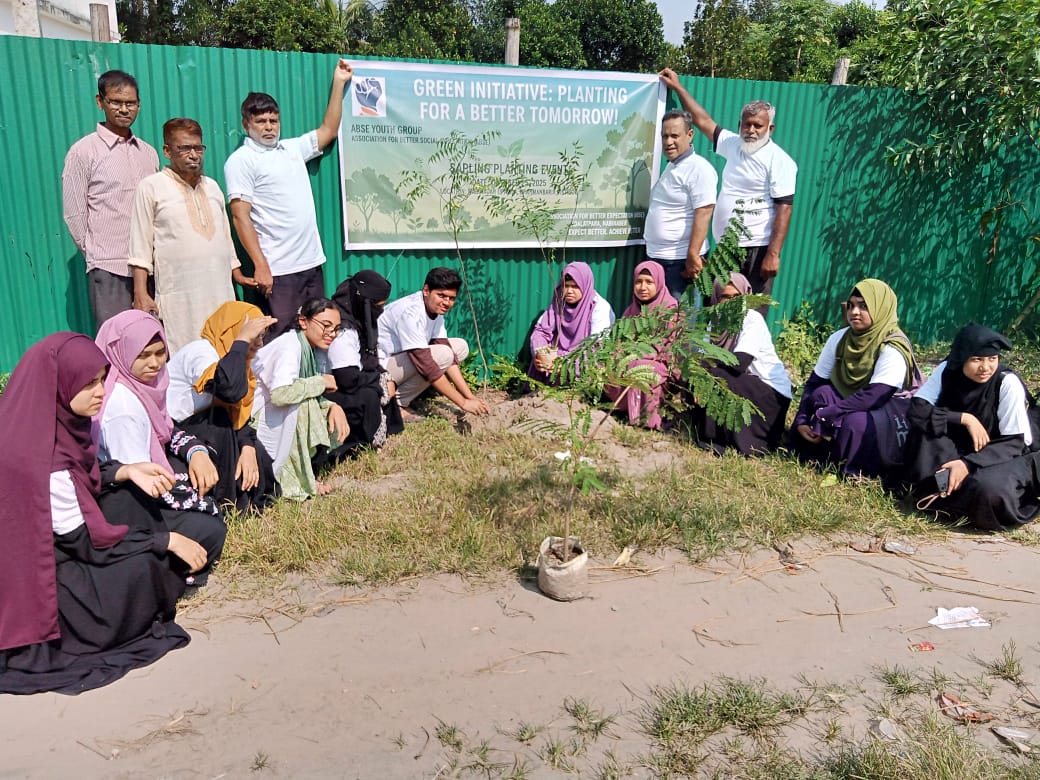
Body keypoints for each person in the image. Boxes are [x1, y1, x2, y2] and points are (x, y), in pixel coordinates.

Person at [0, 333, 206, 695]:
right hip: (44, 593)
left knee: (130, 499)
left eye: (102, 379)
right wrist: (165, 541)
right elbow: (86, 544)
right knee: (148, 567)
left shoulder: (34, 427)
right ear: (59, 385)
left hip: (43, 561)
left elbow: (88, 476)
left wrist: (124, 471)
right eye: (89, 383)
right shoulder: (48, 465)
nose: (101, 391)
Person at [94, 311, 228, 581]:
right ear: (119, 353)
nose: (155, 364)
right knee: (210, 528)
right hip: (124, 504)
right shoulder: (123, 408)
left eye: (159, 353)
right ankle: (156, 572)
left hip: (139, 485)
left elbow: (167, 432)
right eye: (143, 355)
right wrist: (190, 497)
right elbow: (139, 484)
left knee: (208, 461)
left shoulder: (143, 386)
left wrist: (196, 452)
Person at [224, 60, 354, 338]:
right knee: (281, 338)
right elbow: (240, 216)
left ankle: (313, 382)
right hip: (278, 270)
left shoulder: (292, 149)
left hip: (310, 263)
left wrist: (339, 82)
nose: (268, 127)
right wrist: (261, 266)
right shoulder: (241, 161)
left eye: (273, 120)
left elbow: (328, 131)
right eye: (260, 121)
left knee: (316, 333)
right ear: (246, 123)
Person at [658, 68, 797, 297]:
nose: (751, 130)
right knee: (720, 305)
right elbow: (703, 121)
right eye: (746, 124)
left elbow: (785, 207)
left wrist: (773, 254)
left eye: (757, 126)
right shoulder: (734, 144)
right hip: (726, 247)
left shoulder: (780, 160)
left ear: (770, 129)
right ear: (739, 124)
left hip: (756, 249)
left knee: (750, 308)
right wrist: (679, 88)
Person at [905, 324, 1040, 530]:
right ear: (962, 358)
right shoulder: (948, 370)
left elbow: (1015, 442)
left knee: (988, 489)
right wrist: (964, 418)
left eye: (992, 359)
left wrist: (966, 464)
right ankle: (943, 495)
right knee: (923, 434)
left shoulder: (1006, 383)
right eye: (977, 359)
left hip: (998, 453)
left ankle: (952, 499)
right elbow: (917, 409)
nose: (985, 367)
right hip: (958, 444)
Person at [128, 118, 242, 353]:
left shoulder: (212, 187)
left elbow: (226, 238)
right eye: (184, 148)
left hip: (220, 289)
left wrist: (237, 273)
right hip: (180, 295)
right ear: (167, 151)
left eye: (198, 147)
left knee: (225, 351)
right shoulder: (151, 187)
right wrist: (141, 293)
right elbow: (139, 245)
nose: (193, 154)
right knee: (188, 354)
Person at [791, 279, 919, 477]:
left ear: (881, 308)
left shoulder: (892, 346)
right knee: (821, 394)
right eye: (851, 305)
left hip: (885, 409)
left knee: (857, 421)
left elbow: (875, 396)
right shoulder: (841, 338)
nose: (854, 312)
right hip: (853, 401)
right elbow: (815, 381)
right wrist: (801, 419)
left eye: (863, 306)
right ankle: (820, 454)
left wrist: (830, 412)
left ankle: (852, 469)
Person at [63, 70, 159, 328]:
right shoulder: (83, 152)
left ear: (139, 105)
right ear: (100, 102)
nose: (124, 109)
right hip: (109, 267)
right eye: (115, 102)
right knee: (116, 338)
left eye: (130, 103)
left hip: (149, 266)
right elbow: (74, 214)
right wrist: (97, 252)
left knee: (150, 338)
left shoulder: (148, 153)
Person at [167, 302, 280, 512]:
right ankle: (226, 506)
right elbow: (228, 390)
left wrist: (247, 447)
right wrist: (241, 342)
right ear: (233, 330)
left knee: (254, 450)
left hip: (208, 426)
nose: (259, 343)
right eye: (254, 335)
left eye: (261, 336)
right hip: (175, 434)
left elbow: (236, 411)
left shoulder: (236, 360)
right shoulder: (201, 351)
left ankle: (252, 503)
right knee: (220, 424)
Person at [252, 298, 350, 500]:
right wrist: (321, 382)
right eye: (326, 326)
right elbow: (281, 394)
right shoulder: (290, 346)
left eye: (336, 329)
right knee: (304, 406)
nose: (331, 334)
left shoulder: (304, 345)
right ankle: (295, 481)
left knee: (314, 402)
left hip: (270, 408)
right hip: (255, 416)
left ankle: (305, 473)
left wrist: (332, 405)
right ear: (303, 322)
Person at [692, 273, 793, 455]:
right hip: (745, 383)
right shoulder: (714, 322)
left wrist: (706, 366)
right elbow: (701, 360)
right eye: (726, 297)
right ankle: (713, 434)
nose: (732, 302)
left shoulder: (752, 318)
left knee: (717, 375)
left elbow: (740, 362)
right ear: (716, 297)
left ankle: (741, 442)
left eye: (737, 297)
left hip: (770, 395)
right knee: (701, 376)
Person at [378, 267, 489, 417]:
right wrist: (463, 403)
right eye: (441, 295)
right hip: (377, 368)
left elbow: (446, 350)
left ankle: (407, 393)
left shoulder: (434, 308)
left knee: (459, 347)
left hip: (399, 359)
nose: (447, 302)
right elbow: (426, 365)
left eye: (452, 298)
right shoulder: (410, 313)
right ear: (426, 290)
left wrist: (470, 396)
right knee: (442, 355)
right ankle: (397, 402)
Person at [327, 271, 404, 454]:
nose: (381, 311)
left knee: (384, 380)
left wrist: (384, 376)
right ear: (364, 304)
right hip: (332, 386)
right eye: (377, 306)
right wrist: (379, 382)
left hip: (348, 378)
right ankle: (363, 442)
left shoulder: (357, 320)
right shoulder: (342, 330)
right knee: (369, 394)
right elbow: (347, 379)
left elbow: (369, 362)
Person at [644, 109, 718, 299]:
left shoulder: (698, 169)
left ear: (690, 135)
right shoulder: (673, 165)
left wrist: (693, 256)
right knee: (659, 320)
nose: (668, 142)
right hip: (660, 258)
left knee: (678, 321)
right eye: (665, 136)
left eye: (674, 136)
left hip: (679, 262)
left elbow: (704, 211)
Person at [605, 261, 678, 430]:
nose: (643, 287)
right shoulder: (631, 311)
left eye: (649, 282)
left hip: (660, 364)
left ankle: (649, 420)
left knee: (641, 367)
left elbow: (670, 349)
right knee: (613, 366)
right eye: (638, 282)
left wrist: (640, 356)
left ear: (659, 283)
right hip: (633, 360)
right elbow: (619, 343)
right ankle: (626, 411)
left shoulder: (671, 310)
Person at [528, 261, 615, 385]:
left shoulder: (599, 308)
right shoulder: (558, 302)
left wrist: (567, 364)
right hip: (557, 357)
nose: (569, 291)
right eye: (566, 285)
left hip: (582, 358)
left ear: (585, 285)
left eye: (575, 286)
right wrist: (539, 353)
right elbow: (541, 331)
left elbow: (596, 346)